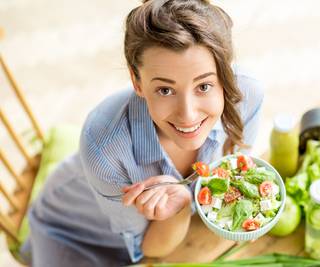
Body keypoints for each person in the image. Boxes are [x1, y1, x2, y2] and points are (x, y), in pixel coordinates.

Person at [20, 0, 264, 266]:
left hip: (166, 235)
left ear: (225, 74)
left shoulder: (247, 96)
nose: (188, 115)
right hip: (73, 234)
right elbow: (151, 250)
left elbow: (236, 172)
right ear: (137, 81)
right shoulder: (104, 148)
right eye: (165, 90)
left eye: (204, 86)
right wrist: (180, 209)